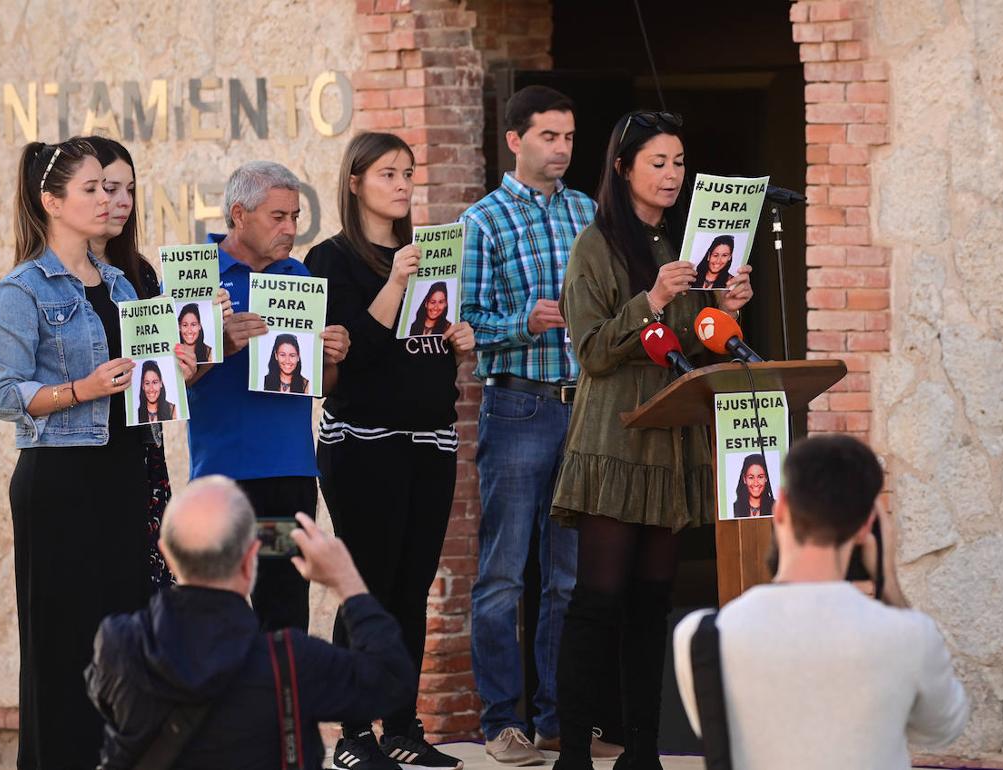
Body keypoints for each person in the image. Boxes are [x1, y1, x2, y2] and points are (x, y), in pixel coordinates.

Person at [550, 110, 754, 770]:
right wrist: (651, 302)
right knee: (597, 601)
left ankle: (643, 751)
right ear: (623, 168)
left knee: (650, 603)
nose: (672, 174)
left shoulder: (681, 246)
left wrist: (729, 309)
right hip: (615, 441)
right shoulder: (595, 246)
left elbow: (692, 345)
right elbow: (592, 350)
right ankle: (575, 751)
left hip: (669, 443)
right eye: (658, 162)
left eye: (679, 162)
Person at [0, 138, 197, 769]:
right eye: (94, 190)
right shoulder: (20, 289)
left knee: (128, 645)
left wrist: (182, 362)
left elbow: (147, 382)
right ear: (51, 201)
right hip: (60, 482)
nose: (110, 199)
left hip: (127, 477)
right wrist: (82, 388)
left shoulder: (123, 284)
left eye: (115, 189)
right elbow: (3, 393)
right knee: (63, 648)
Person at [462, 85, 624, 764]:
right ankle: (502, 722)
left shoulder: (590, 211)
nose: (561, 148)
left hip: (583, 405)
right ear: (515, 140)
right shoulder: (482, 220)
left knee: (569, 578)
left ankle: (563, 719)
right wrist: (518, 322)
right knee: (503, 573)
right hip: (517, 404)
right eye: (549, 136)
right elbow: (462, 326)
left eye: (569, 137)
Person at [306, 132, 476, 770]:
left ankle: (403, 725)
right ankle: (352, 733)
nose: (403, 185)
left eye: (408, 173)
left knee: (412, 588)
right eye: (388, 174)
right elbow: (355, 355)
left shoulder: (426, 253)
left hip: (430, 440)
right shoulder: (331, 260)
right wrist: (397, 283)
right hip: (362, 443)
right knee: (366, 587)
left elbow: (422, 356)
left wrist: (458, 342)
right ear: (355, 182)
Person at [673, 435, 969, 769]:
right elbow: (943, 727)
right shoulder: (908, 635)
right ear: (866, 528)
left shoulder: (700, 637)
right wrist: (889, 585)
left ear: (781, 507)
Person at [86, 476, 417, 769]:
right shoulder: (291, 660)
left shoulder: (118, 644)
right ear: (250, 559)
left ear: (167, 554)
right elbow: (392, 680)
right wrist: (346, 581)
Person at [185, 161, 350, 632]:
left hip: (290, 477)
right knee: (218, 613)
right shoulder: (194, 275)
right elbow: (165, 382)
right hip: (222, 480)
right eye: (278, 217)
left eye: (295, 217)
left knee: (284, 615)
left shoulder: (298, 276)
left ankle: (286, 710)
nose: (291, 228)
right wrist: (219, 343)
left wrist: (334, 357)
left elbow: (323, 385)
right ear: (239, 214)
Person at [85, 134, 217, 591]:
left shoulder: (141, 273)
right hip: (85, 459)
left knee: (147, 595)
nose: (120, 201)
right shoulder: (51, 281)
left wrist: (198, 345)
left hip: (143, 457)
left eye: (129, 190)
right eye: (107, 188)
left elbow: (173, 374)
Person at [731, 454, 773, 518]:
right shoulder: (733, 508)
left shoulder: (776, 506)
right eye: (751, 477)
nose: (756, 483)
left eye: (760, 477)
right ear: (744, 479)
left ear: (766, 478)